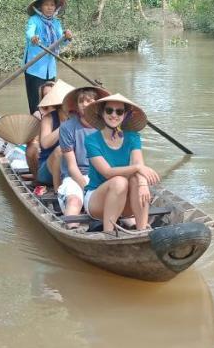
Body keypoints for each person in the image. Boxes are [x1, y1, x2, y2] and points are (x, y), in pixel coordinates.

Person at [80, 93, 160, 235]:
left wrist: (142, 184)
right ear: (102, 113)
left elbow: (137, 162)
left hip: (124, 201)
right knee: (119, 181)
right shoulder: (91, 140)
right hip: (97, 201)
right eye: (109, 110)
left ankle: (142, 231)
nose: (114, 115)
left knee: (137, 179)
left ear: (125, 115)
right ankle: (108, 234)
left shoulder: (133, 136)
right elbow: (107, 172)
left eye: (119, 111)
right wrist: (137, 168)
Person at [56, 85, 107, 227]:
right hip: (75, 176)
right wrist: (88, 189)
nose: (85, 105)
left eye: (89, 101)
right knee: (74, 201)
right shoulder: (67, 128)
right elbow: (72, 167)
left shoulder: (105, 127)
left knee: (118, 198)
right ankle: (72, 230)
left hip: (101, 174)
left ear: (97, 105)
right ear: (77, 106)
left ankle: (138, 229)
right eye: (81, 101)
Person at [23, 0, 72, 113]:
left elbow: (62, 40)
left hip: (50, 69)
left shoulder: (56, 23)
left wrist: (67, 37)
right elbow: (29, 33)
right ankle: (36, 123)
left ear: (56, 7)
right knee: (36, 103)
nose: (50, 7)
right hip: (34, 68)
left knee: (50, 101)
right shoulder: (34, 20)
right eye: (46, 5)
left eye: (52, 5)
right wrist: (33, 37)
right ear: (40, 7)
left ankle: (49, 124)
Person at [33, 79, 74, 192]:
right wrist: (64, 126)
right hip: (47, 170)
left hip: (71, 165)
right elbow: (45, 144)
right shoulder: (49, 118)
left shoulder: (77, 117)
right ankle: (58, 190)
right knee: (60, 150)